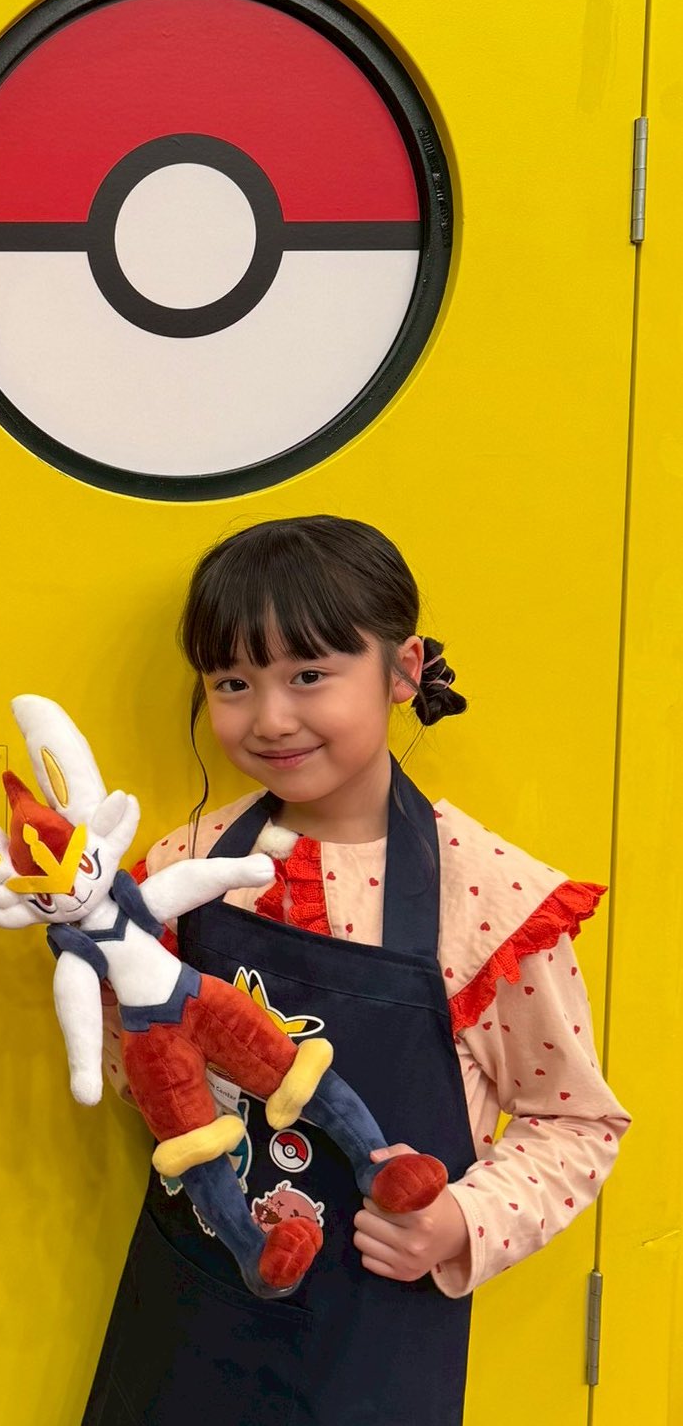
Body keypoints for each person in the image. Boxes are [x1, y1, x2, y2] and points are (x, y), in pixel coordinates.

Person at [83, 515, 627, 1426]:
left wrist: (458, 1223)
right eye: (232, 682)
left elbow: (578, 1123)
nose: (270, 717)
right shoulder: (185, 864)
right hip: (189, 1313)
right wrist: (96, 956)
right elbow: (131, 1066)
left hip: (373, 1341)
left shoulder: (487, 895)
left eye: (308, 674)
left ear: (402, 670)